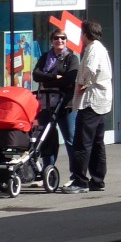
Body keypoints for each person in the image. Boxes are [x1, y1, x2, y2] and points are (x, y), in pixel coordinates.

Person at [60, 19, 113, 194]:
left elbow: (89, 68)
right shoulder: (100, 48)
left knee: (82, 142)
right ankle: (97, 180)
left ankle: (79, 181)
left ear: (85, 34)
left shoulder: (93, 49)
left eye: (81, 34)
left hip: (91, 101)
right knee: (97, 143)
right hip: (101, 102)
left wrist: (82, 83)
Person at [31, 28, 79, 165]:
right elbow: (36, 75)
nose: (60, 40)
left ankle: (76, 176)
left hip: (65, 105)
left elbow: (69, 79)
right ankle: (48, 172)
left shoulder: (71, 58)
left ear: (67, 41)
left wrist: (46, 80)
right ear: (52, 41)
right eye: (56, 38)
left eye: (63, 38)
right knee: (46, 139)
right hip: (46, 104)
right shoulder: (45, 57)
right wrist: (54, 76)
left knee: (70, 139)